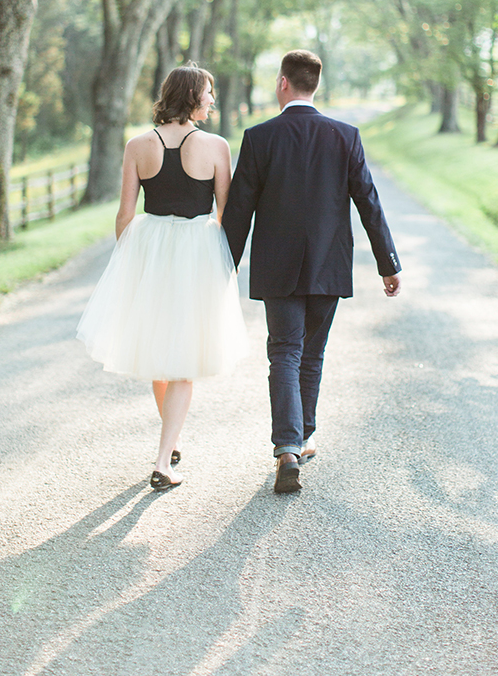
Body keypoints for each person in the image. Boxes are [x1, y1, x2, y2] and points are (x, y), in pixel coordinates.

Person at [222, 49, 401, 494]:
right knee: (312, 355)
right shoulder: (345, 136)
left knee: (283, 351)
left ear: (283, 83)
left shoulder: (259, 137)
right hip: (329, 263)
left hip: (277, 264)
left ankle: (287, 446)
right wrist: (388, 264)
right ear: (313, 85)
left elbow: (239, 209)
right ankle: (301, 439)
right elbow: (369, 204)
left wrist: (223, 265)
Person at [77, 65, 246, 491]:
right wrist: (227, 264)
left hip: (150, 247)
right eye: (208, 93)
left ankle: (170, 442)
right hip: (196, 249)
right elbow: (225, 214)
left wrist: (128, 264)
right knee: (185, 362)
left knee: (160, 354)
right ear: (191, 96)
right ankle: (163, 462)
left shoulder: (138, 145)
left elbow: (124, 215)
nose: (212, 100)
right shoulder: (215, 146)